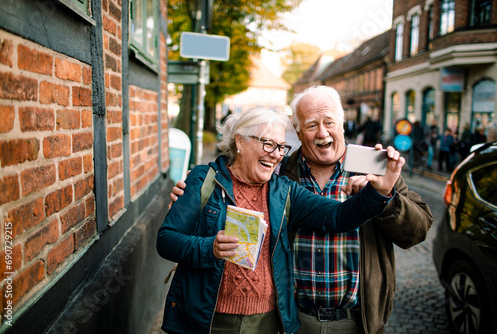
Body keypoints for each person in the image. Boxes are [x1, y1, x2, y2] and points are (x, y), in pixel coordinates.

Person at [170, 86, 432, 334]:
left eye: (329, 122)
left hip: (356, 321)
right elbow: (185, 228)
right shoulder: (279, 174)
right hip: (290, 319)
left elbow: (414, 229)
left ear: (342, 124)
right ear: (297, 130)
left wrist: (382, 195)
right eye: (311, 125)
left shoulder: (373, 166)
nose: (322, 132)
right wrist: (190, 201)